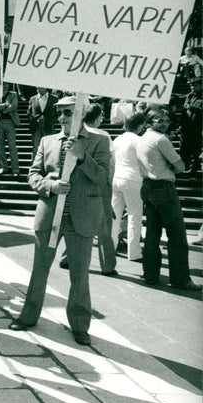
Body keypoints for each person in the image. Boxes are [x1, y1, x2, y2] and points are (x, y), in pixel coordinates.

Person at [9, 95, 110, 347]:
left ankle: (79, 325)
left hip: (82, 216)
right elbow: (33, 175)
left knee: (79, 274)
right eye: (60, 113)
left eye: (68, 112)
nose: (63, 117)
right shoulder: (47, 141)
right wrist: (51, 185)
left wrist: (82, 156)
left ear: (80, 114)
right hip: (50, 213)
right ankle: (28, 316)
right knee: (39, 269)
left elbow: (102, 178)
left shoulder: (99, 140)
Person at [136, 106, 201, 291]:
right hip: (164, 189)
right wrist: (170, 166)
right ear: (150, 122)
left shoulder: (143, 138)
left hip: (147, 186)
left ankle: (150, 275)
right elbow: (180, 167)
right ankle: (181, 279)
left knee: (152, 233)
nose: (165, 124)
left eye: (167, 121)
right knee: (177, 235)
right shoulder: (161, 140)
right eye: (160, 121)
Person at [79, 103, 117, 275]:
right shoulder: (103, 135)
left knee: (78, 221)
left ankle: (67, 258)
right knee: (104, 225)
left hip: (80, 183)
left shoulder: (77, 132)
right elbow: (110, 163)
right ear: (96, 118)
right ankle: (107, 265)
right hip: (100, 183)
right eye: (101, 116)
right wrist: (109, 183)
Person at [111, 112, 147, 263]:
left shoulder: (118, 139)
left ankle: (110, 247)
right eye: (143, 126)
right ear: (139, 126)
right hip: (133, 179)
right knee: (134, 216)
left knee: (114, 216)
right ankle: (134, 252)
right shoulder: (139, 140)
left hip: (116, 178)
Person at [0, 82, 21, 175]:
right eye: (3, 85)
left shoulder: (13, 94)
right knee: (0, 147)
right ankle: (3, 167)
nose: (5, 86)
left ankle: (15, 169)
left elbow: (13, 106)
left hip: (10, 122)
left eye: (7, 85)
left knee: (12, 146)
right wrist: (5, 105)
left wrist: (1, 109)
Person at [180, 78, 202, 174]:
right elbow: (178, 98)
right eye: (191, 85)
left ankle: (195, 169)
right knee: (184, 150)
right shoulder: (190, 96)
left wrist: (191, 108)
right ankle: (185, 167)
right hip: (186, 128)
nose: (192, 87)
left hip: (197, 128)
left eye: (195, 85)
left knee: (195, 149)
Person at [27, 87, 57, 154]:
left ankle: (48, 164)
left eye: (40, 87)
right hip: (36, 127)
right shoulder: (33, 98)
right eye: (37, 87)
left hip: (48, 126)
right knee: (36, 147)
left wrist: (52, 121)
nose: (38, 88)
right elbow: (29, 112)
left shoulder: (54, 99)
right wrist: (33, 120)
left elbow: (57, 113)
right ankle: (35, 164)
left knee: (49, 147)